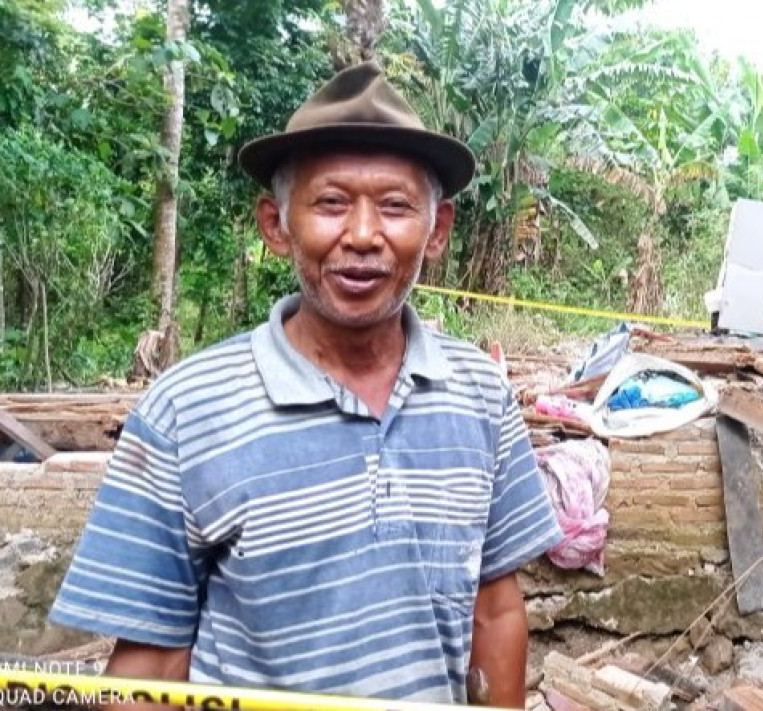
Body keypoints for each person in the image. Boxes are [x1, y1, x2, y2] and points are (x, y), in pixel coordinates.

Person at [48, 61, 564, 709]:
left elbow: (494, 610)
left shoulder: (481, 395)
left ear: (437, 230)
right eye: (331, 203)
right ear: (275, 225)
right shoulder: (185, 412)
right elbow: (150, 663)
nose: (363, 236)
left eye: (395, 206)